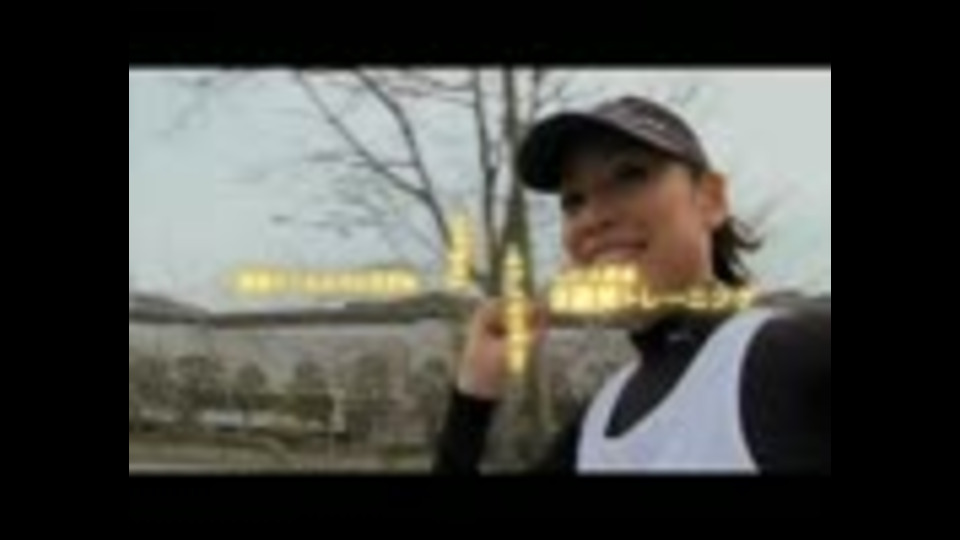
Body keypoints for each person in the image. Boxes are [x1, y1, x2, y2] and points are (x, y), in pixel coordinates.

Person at [433, 96, 830, 473]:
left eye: (629, 175)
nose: (591, 218)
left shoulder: (792, 357)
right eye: (573, 201)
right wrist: (474, 393)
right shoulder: (597, 425)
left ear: (710, 199)